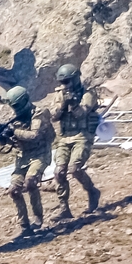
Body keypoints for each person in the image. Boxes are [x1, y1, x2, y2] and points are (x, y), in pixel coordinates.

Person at [0, 86, 54, 238]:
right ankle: (24, 226)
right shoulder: (16, 119)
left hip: (40, 154)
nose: (15, 109)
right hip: (22, 158)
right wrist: (3, 138)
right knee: (14, 191)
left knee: (30, 183)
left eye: (16, 106)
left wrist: (14, 132)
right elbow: (11, 142)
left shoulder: (39, 113)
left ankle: (38, 218)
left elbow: (34, 135)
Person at [49, 64, 101, 220]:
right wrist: (63, 104)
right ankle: (64, 208)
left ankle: (92, 191)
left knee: (75, 168)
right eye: (63, 82)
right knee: (59, 172)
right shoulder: (59, 94)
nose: (66, 85)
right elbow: (53, 116)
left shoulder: (88, 93)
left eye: (68, 81)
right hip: (64, 137)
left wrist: (73, 103)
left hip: (82, 135)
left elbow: (81, 114)